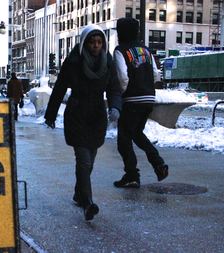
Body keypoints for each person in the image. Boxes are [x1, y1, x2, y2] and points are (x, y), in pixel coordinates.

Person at [44, 24, 122, 221]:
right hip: (77, 114)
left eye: (99, 42)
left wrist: (115, 107)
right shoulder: (74, 61)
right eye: (92, 42)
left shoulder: (108, 62)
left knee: (90, 161)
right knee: (84, 160)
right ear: (85, 43)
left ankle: (79, 194)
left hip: (96, 115)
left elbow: (114, 88)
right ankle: (88, 203)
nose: (96, 46)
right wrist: (51, 114)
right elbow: (60, 87)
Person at [110, 17, 168, 189]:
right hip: (149, 98)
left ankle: (131, 175)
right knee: (137, 133)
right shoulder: (146, 51)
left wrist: (119, 95)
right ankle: (158, 164)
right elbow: (157, 75)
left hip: (131, 99)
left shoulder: (120, 50)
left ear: (121, 33)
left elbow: (122, 77)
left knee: (124, 139)